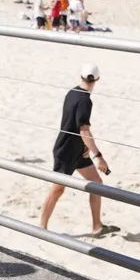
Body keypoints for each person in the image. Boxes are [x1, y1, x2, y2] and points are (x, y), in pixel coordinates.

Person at [39, 63, 115, 238]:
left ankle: (97, 226)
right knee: (58, 189)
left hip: (78, 150)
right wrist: (98, 156)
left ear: (80, 76)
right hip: (66, 151)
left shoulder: (72, 93)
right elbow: (84, 130)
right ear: (98, 79)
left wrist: (86, 147)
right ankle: (41, 227)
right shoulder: (85, 100)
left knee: (96, 184)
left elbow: (76, 128)